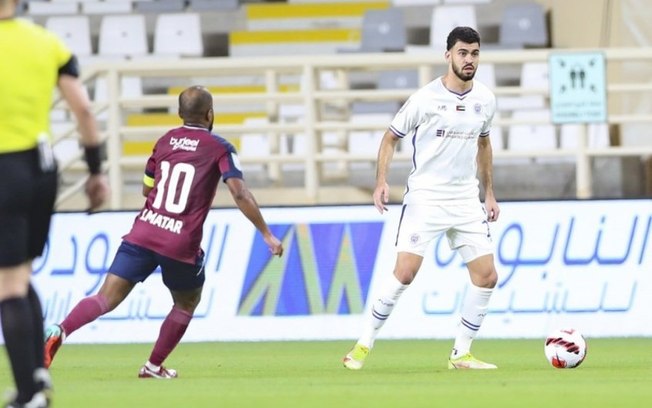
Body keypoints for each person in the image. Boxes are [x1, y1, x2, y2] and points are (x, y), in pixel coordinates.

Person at [43, 86, 284, 379]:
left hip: (144, 231)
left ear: (181, 113)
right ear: (210, 114)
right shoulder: (220, 148)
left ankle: (60, 329)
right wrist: (266, 233)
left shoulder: (165, 140)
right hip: (180, 242)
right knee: (186, 302)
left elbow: (147, 188)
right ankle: (153, 366)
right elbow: (239, 192)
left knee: (105, 298)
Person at [343, 26, 500, 370]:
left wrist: (488, 192)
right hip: (426, 197)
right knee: (405, 272)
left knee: (487, 276)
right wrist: (381, 181)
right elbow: (390, 137)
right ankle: (362, 345)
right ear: (448, 56)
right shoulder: (425, 98)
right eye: (462, 53)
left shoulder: (485, 100)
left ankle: (462, 353)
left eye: (474, 53)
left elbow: (484, 144)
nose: (469, 59)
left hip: (464, 198)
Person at [0, 0, 111, 406]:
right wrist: (97, 171)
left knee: (8, 285)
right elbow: (83, 109)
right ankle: (37, 378)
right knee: (21, 276)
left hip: (3, 168)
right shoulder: (48, 43)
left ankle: (30, 394)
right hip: (42, 167)